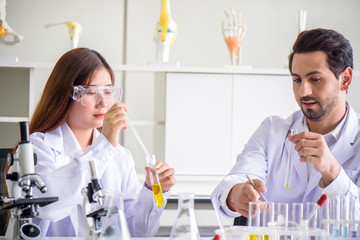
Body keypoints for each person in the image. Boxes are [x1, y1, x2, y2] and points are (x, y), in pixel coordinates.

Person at [11, 48, 175, 237]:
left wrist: (153, 191)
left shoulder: (120, 156)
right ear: (66, 94)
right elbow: (48, 207)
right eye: (90, 92)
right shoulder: (36, 147)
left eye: (107, 91)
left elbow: (136, 232)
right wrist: (105, 143)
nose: (103, 103)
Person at [211, 28, 360, 219]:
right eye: (297, 80)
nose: (303, 91)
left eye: (315, 79)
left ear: (345, 79)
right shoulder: (272, 130)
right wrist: (236, 195)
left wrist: (333, 172)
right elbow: (230, 185)